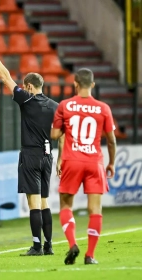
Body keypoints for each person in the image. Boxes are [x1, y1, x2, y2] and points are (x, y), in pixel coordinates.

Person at [0, 38, 59, 256]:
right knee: (45, 202)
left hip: (31, 155)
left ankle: (36, 245)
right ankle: (49, 245)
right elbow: (61, 134)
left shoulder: (27, 100)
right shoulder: (54, 106)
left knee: (33, 202)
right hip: (48, 156)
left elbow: (5, 77)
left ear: (28, 87)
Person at [51, 68, 116, 265]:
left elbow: (54, 135)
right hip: (94, 162)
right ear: (93, 85)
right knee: (95, 209)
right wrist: (111, 162)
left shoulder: (65, 105)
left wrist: (62, 128)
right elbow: (111, 140)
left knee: (65, 205)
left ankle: (72, 244)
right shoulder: (103, 108)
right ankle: (90, 255)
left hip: (72, 160)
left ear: (75, 84)